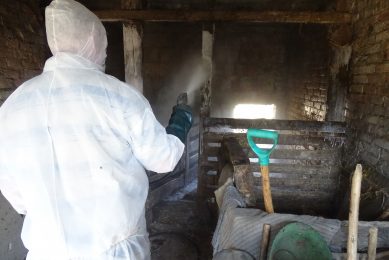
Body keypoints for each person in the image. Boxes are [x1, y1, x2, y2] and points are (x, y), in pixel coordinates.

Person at [0, 0, 192, 259]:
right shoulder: (117, 95)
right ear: (92, 40)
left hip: (46, 252)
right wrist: (180, 124)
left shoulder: (12, 107)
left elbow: (17, 197)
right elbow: (164, 158)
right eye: (104, 45)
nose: (104, 53)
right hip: (114, 252)